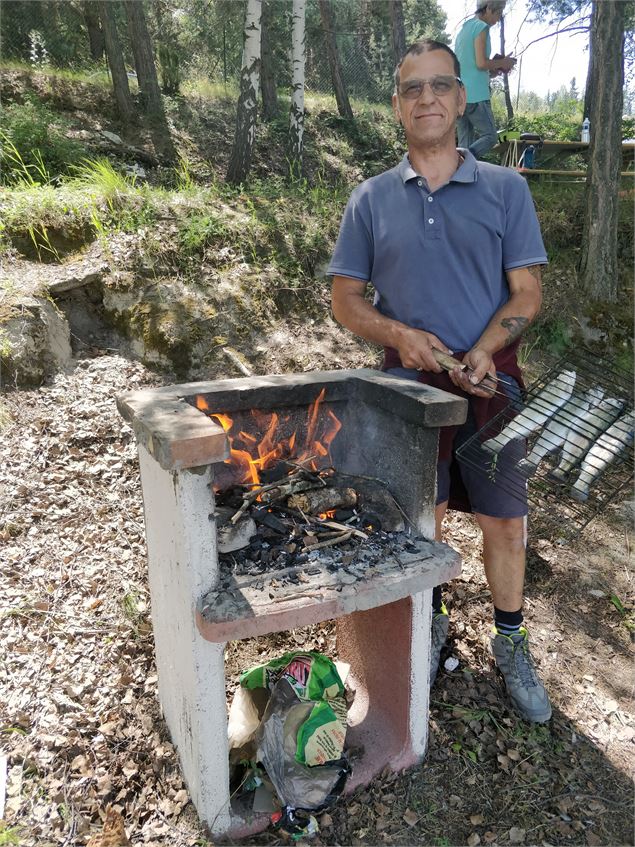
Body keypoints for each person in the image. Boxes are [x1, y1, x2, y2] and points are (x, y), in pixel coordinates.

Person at [327, 39, 551, 723]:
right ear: (396, 107)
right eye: (410, 89)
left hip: (492, 387)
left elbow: (526, 292)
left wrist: (484, 348)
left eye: (438, 86)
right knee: (422, 522)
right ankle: (431, 622)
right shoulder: (369, 200)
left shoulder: (506, 189)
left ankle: (510, 640)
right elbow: (345, 301)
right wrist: (398, 335)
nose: (425, 98)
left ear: (460, 100)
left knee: (505, 524)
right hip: (405, 395)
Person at [455, 0, 516, 159]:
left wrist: (494, 71)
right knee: (490, 136)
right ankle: (460, 161)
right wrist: (504, 62)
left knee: (464, 144)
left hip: (459, 95)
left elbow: (469, 66)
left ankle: (459, 177)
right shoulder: (481, 28)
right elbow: (481, 63)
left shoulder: (465, 29)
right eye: (498, 13)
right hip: (476, 95)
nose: (498, 18)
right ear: (488, 9)